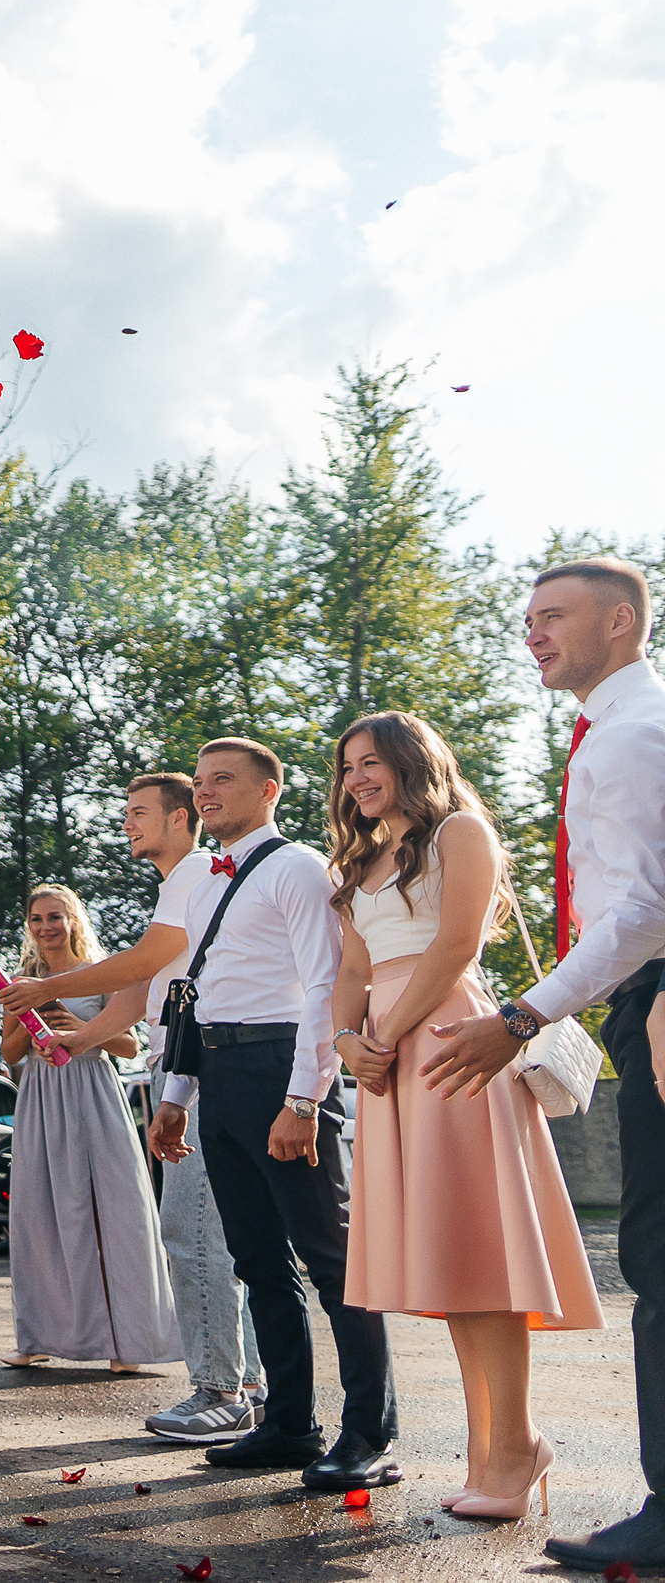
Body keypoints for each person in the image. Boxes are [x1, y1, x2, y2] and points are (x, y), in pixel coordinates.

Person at [411, 561, 665, 1572]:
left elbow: (639, 913)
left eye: (552, 616)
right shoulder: (618, 730)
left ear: (619, 620)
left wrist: (520, 1015)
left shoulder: (631, 738)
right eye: (526, 620)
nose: (534, 634)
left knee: (657, 1258)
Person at [326, 711, 600, 1520]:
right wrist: (349, 1040)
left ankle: (513, 1448)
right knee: (452, 1262)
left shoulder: (462, 833)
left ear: (413, 761)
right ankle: (496, 1451)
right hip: (386, 1059)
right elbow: (350, 966)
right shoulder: (360, 858)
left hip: (451, 1043)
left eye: (371, 762)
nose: (357, 779)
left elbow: (453, 946)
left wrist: (388, 1031)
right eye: (347, 768)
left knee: (481, 1256)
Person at [144, 737, 395, 1493]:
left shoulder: (296, 867)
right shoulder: (201, 881)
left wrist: (302, 1100)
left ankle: (368, 1432)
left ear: (269, 790)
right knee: (257, 1261)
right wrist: (176, 1097)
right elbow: (197, 992)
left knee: (331, 1260)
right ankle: (289, 1423)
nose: (207, 791)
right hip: (217, 1072)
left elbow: (325, 987)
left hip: (282, 1068)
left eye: (223, 779)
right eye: (200, 781)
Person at [1, 774, 265, 1441]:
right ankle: (254, 1384)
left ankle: (221, 1390)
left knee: (195, 1232)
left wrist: (48, 987)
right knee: (228, 1235)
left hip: (210, 1067)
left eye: (139, 812)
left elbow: (140, 962)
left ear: (181, 819)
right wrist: (79, 1036)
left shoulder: (197, 871)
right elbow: (145, 987)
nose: (127, 823)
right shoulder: (185, 882)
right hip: (186, 1071)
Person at [0, 885, 180, 1376]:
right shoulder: (22, 980)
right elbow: (8, 1054)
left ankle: (129, 1343)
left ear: (73, 920)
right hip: (40, 1098)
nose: (45, 926)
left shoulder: (101, 974)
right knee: (41, 1216)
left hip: (94, 1095)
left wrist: (78, 1028)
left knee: (115, 1215)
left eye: (55, 916)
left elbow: (128, 1046)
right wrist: (23, 1017)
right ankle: (37, 1337)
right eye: (36, 918)